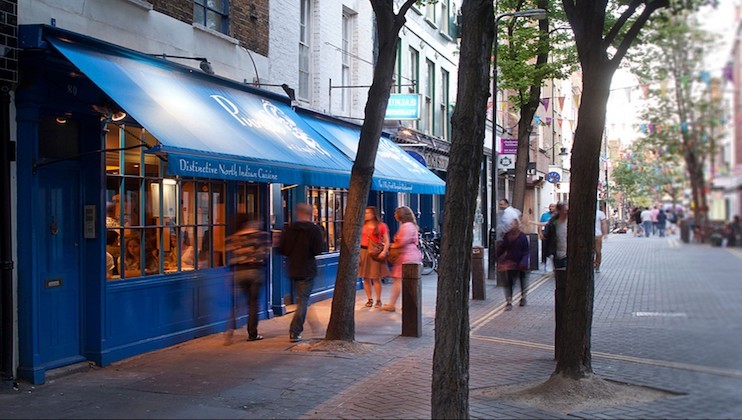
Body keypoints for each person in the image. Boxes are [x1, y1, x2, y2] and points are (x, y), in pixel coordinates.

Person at [278, 203, 324, 342]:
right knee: (303, 301)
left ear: (297, 213)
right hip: (308, 268)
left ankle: (313, 325)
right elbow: (318, 250)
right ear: (310, 214)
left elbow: (282, 250)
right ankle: (295, 330)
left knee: (302, 300)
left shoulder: (290, 229)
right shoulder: (315, 230)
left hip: (293, 268)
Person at [224, 214, 270, 344]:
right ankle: (252, 333)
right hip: (255, 271)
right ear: (249, 223)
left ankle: (229, 331)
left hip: (238, 272)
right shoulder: (261, 236)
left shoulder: (234, 238)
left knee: (237, 304)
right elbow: (264, 254)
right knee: (253, 303)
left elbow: (228, 254)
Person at [381, 206, 422, 312]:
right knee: (404, 281)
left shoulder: (406, 226)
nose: (394, 215)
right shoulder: (410, 225)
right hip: (409, 254)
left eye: (396, 213)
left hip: (406, 256)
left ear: (401, 215)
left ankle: (395, 305)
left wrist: (391, 246)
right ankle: (407, 305)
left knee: (399, 281)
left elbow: (402, 242)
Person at [358, 206, 391, 308]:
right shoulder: (361, 225)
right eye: (365, 213)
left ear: (373, 214)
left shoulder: (381, 226)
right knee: (366, 277)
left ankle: (378, 299)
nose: (366, 215)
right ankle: (369, 299)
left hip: (375, 253)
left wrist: (384, 251)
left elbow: (386, 240)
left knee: (376, 278)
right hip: (363, 251)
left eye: (368, 213)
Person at [495, 223, 530, 310]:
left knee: (523, 281)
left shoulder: (523, 237)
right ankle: (509, 301)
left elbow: (526, 251)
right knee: (509, 283)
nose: (512, 226)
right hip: (511, 263)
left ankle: (523, 297)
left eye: (514, 224)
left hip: (521, 264)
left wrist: (524, 262)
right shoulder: (507, 236)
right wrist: (497, 259)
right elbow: (502, 248)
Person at [594, 206, 608, 273]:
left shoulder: (600, 213)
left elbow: (604, 223)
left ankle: (597, 265)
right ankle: (593, 265)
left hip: (597, 235)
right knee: (595, 252)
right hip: (591, 235)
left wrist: (605, 234)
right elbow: (604, 223)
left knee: (598, 251)